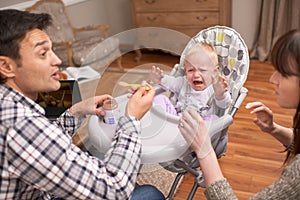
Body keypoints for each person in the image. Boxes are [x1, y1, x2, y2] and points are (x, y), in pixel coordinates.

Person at [0, 9, 165, 199]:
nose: (58, 60)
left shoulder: (10, 106)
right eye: (43, 53)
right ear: (6, 67)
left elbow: (43, 142)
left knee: (97, 157)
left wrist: (76, 111)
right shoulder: (21, 126)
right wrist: (131, 119)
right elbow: (114, 191)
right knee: (150, 194)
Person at [178, 29, 300, 199]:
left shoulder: (297, 177)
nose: (272, 79)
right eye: (190, 70)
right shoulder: (184, 83)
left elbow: (223, 103)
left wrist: (205, 150)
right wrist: (273, 129)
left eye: (283, 73)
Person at [150, 42, 232, 119]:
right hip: (178, 120)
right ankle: (160, 124)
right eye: (191, 70)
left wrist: (221, 95)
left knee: (214, 119)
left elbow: (224, 105)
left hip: (201, 125)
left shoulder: (216, 87)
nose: (196, 75)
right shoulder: (183, 82)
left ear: (215, 71)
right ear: (185, 70)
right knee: (160, 98)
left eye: (202, 70)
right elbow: (171, 83)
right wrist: (160, 79)